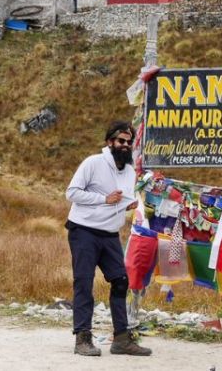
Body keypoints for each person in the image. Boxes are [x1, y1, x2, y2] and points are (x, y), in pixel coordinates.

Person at [65, 121, 152, 357]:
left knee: (121, 280)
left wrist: (127, 206)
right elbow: (71, 193)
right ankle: (82, 339)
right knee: (84, 282)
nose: (125, 145)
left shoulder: (131, 171)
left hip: (110, 234)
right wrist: (104, 199)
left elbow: (118, 201)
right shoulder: (93, 163)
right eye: (120, 141)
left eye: (129, 142)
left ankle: (121, 339)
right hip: (83, 230)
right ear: (110, 142)